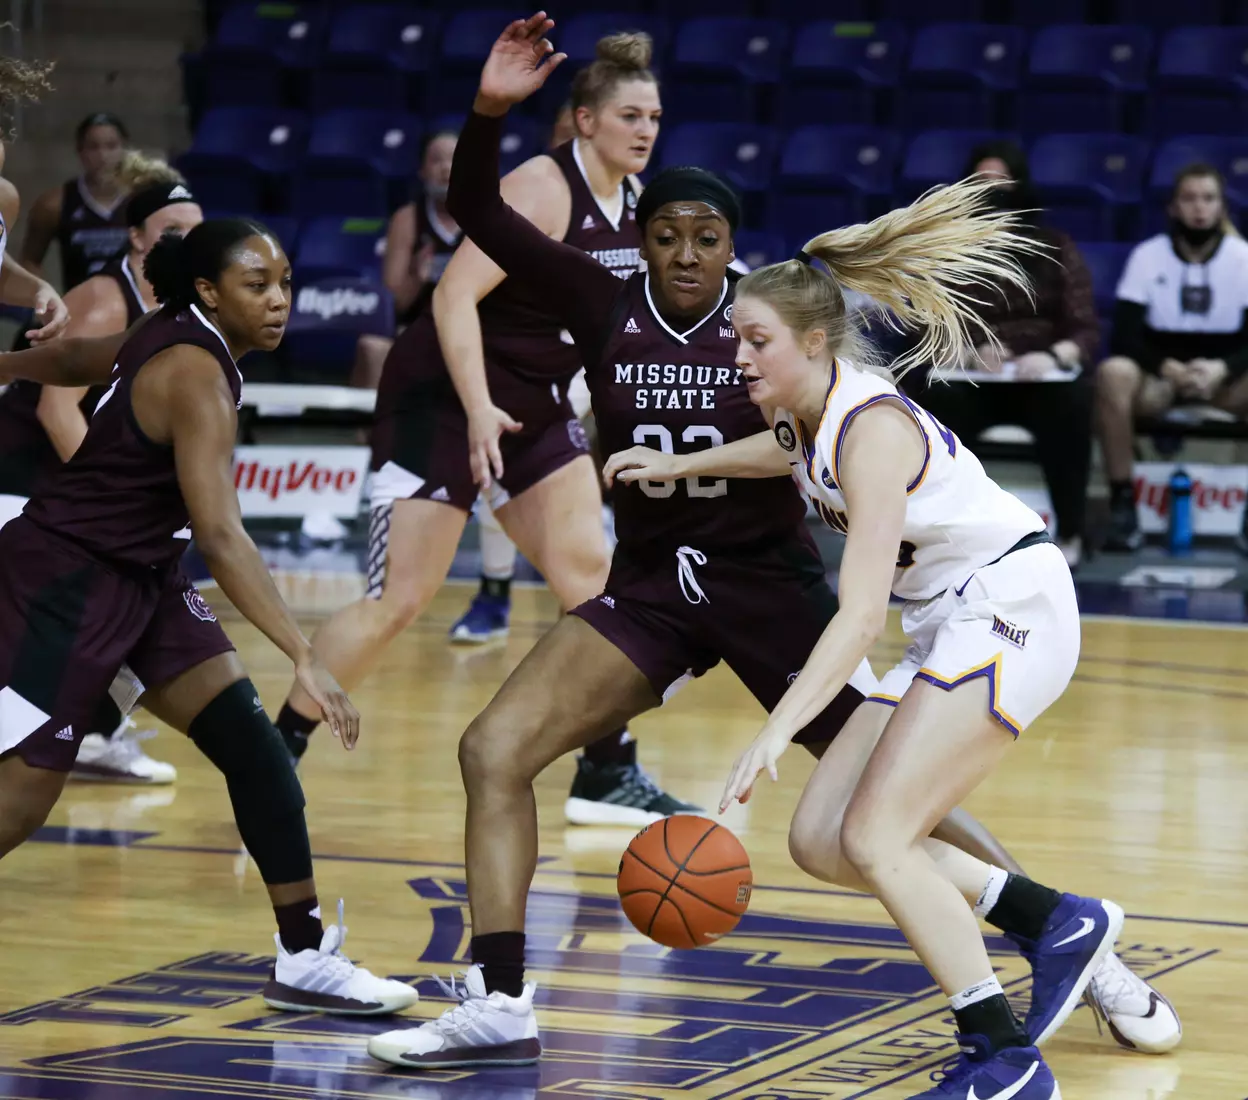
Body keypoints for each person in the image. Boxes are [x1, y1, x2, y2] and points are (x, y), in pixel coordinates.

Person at [364, 15, 1178, 1073]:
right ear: (638, 240)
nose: (690, 255)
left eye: (709, 237)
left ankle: (1068, 938)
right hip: (657, 586)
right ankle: (505, 994)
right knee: (492, 747)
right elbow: (472, 207)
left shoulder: (767, 322)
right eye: (669, 235)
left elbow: (802, 442)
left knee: (891, 806)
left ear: (734, 249)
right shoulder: (598, 297)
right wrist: (488, 110)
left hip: (775, 590)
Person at [600, 188, 1126, 1097]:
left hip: (1011, 606)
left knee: (879, 836)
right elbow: (781, 456)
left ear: (812, 342)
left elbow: (856, 618)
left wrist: (774, 732)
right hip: (951, 618)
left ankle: (1004, 1059)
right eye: (734, 339)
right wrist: (677, 464)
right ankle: (1054, 919)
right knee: (820, 839)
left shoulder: (871, 430)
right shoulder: (810, 415)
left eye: (753, 340)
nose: (737, 356)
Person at [268, 28, 700, 828]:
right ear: (584, 120)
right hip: (441, 397)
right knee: (401, 599)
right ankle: (276, 749)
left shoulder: (639, 207)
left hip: (531, 405)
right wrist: (473, 407)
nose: (646, 130)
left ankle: (607, 769)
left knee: (596, 587)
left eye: (656, 116)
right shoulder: (544, 183)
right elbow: (453, 294)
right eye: (631, 114)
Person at [0, 219, 418, 1017]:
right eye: (257, 287)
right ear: (208, 292)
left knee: (254, 749)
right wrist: (303, 652)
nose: (280, 302)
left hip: (145, 578)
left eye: (285, 282)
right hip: (66, 582)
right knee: (19, 802)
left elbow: (84, 359)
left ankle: (302, 957)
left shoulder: (169, 330)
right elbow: (221, 534)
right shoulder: (196, 374)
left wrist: (8, 363)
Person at [0, 155, 203, 784]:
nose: (186, 244)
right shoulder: (104, 299)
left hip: (60, 491)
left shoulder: (182, 308)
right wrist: (118, 504)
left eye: (197, 232)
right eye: (171, 231)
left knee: (150, 599)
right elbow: (59, 415)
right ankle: (68, 734)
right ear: (136, 239)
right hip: (19, 478)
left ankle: (93, 731)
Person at [914, 140, 1099, 569]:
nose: (993, 192)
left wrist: (1054, 356)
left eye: (1001, 182)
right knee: (932, 396)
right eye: (982, 183)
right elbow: (925, 327)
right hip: (975, 379)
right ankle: (935, 532)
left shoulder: (1055, 247)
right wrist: (965, 352)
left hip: (1038, 378)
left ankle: (1071, 531)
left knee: (1074, 403)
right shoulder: (947, 251)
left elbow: (1085, 327)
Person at [448, 101, 592, 647]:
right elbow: (460, 292)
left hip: (596, 359)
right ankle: (495, 589)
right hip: (538, 370)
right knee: (507, 460)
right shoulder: (538, 193)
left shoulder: (626, 200)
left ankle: (593, 605)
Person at [1097, 163, 1248, 551]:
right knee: (1113, 373)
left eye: (1208, 198)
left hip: (1222, 383)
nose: (1199, 207)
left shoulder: (1242, 257)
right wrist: (1166, 368)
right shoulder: (1148, 257)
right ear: (1173, 207)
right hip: (1161, 379)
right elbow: (1124, 337)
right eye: (1189, 198)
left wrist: (1221, 368)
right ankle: (1123, 504)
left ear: (1221, 208)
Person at [350, 130, 461, 391]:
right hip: (416, 327)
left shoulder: (485, 218)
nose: (446, 168)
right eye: (436, 160)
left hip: (472, 328)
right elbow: (394, 303)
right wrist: (416, 278)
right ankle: (375, 431)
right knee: (372, 347)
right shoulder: (408, 219)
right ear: (422, 171)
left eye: (455, 159)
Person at [17, 112, 131, 289]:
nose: (103, 156)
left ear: (124, 149)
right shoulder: (54, 204)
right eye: (93, 147)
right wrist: (43, 296)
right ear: (80, 151)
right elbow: (30, 261)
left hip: (136, 311)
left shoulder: (142, 199)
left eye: (111, 146)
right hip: (80, 308)